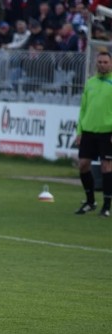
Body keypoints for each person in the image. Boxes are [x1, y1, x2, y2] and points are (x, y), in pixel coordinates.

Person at [74, 50, 112, 218]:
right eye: (100, 62)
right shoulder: (90, 82)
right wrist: (79, 130)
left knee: (106, 167)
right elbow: (83, 108)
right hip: (88, 131)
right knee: (83, 165)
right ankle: (90, 201)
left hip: (107, 132)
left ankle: (106, 205)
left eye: (105, 62)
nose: (102, 65)